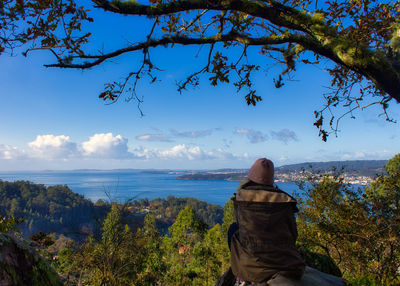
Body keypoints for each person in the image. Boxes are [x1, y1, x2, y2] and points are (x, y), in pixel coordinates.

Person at [221, 158, 305, 286]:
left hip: (249, 268)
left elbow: (242, 229)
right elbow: (293, 234)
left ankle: (241, 273)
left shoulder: (241, 198)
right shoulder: (286, 202)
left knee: (233, 228)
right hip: (286, 265)